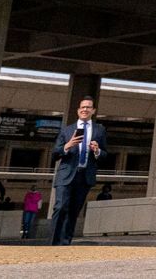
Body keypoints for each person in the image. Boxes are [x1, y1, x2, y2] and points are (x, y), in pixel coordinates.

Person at [49, 97, 105, 245]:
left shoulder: (99, 130)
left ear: (93, 111)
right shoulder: (67, 130)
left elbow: (105, 154)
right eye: (82, 107)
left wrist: (97, 150)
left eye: (88, 107)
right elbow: (54, 154)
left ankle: (65, 243)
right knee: (61, 207)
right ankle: (53, 243)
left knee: (74, 211)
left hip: (85, 176)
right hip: (66, 174)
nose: (85, 109)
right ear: (78, 110)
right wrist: (67, 146)